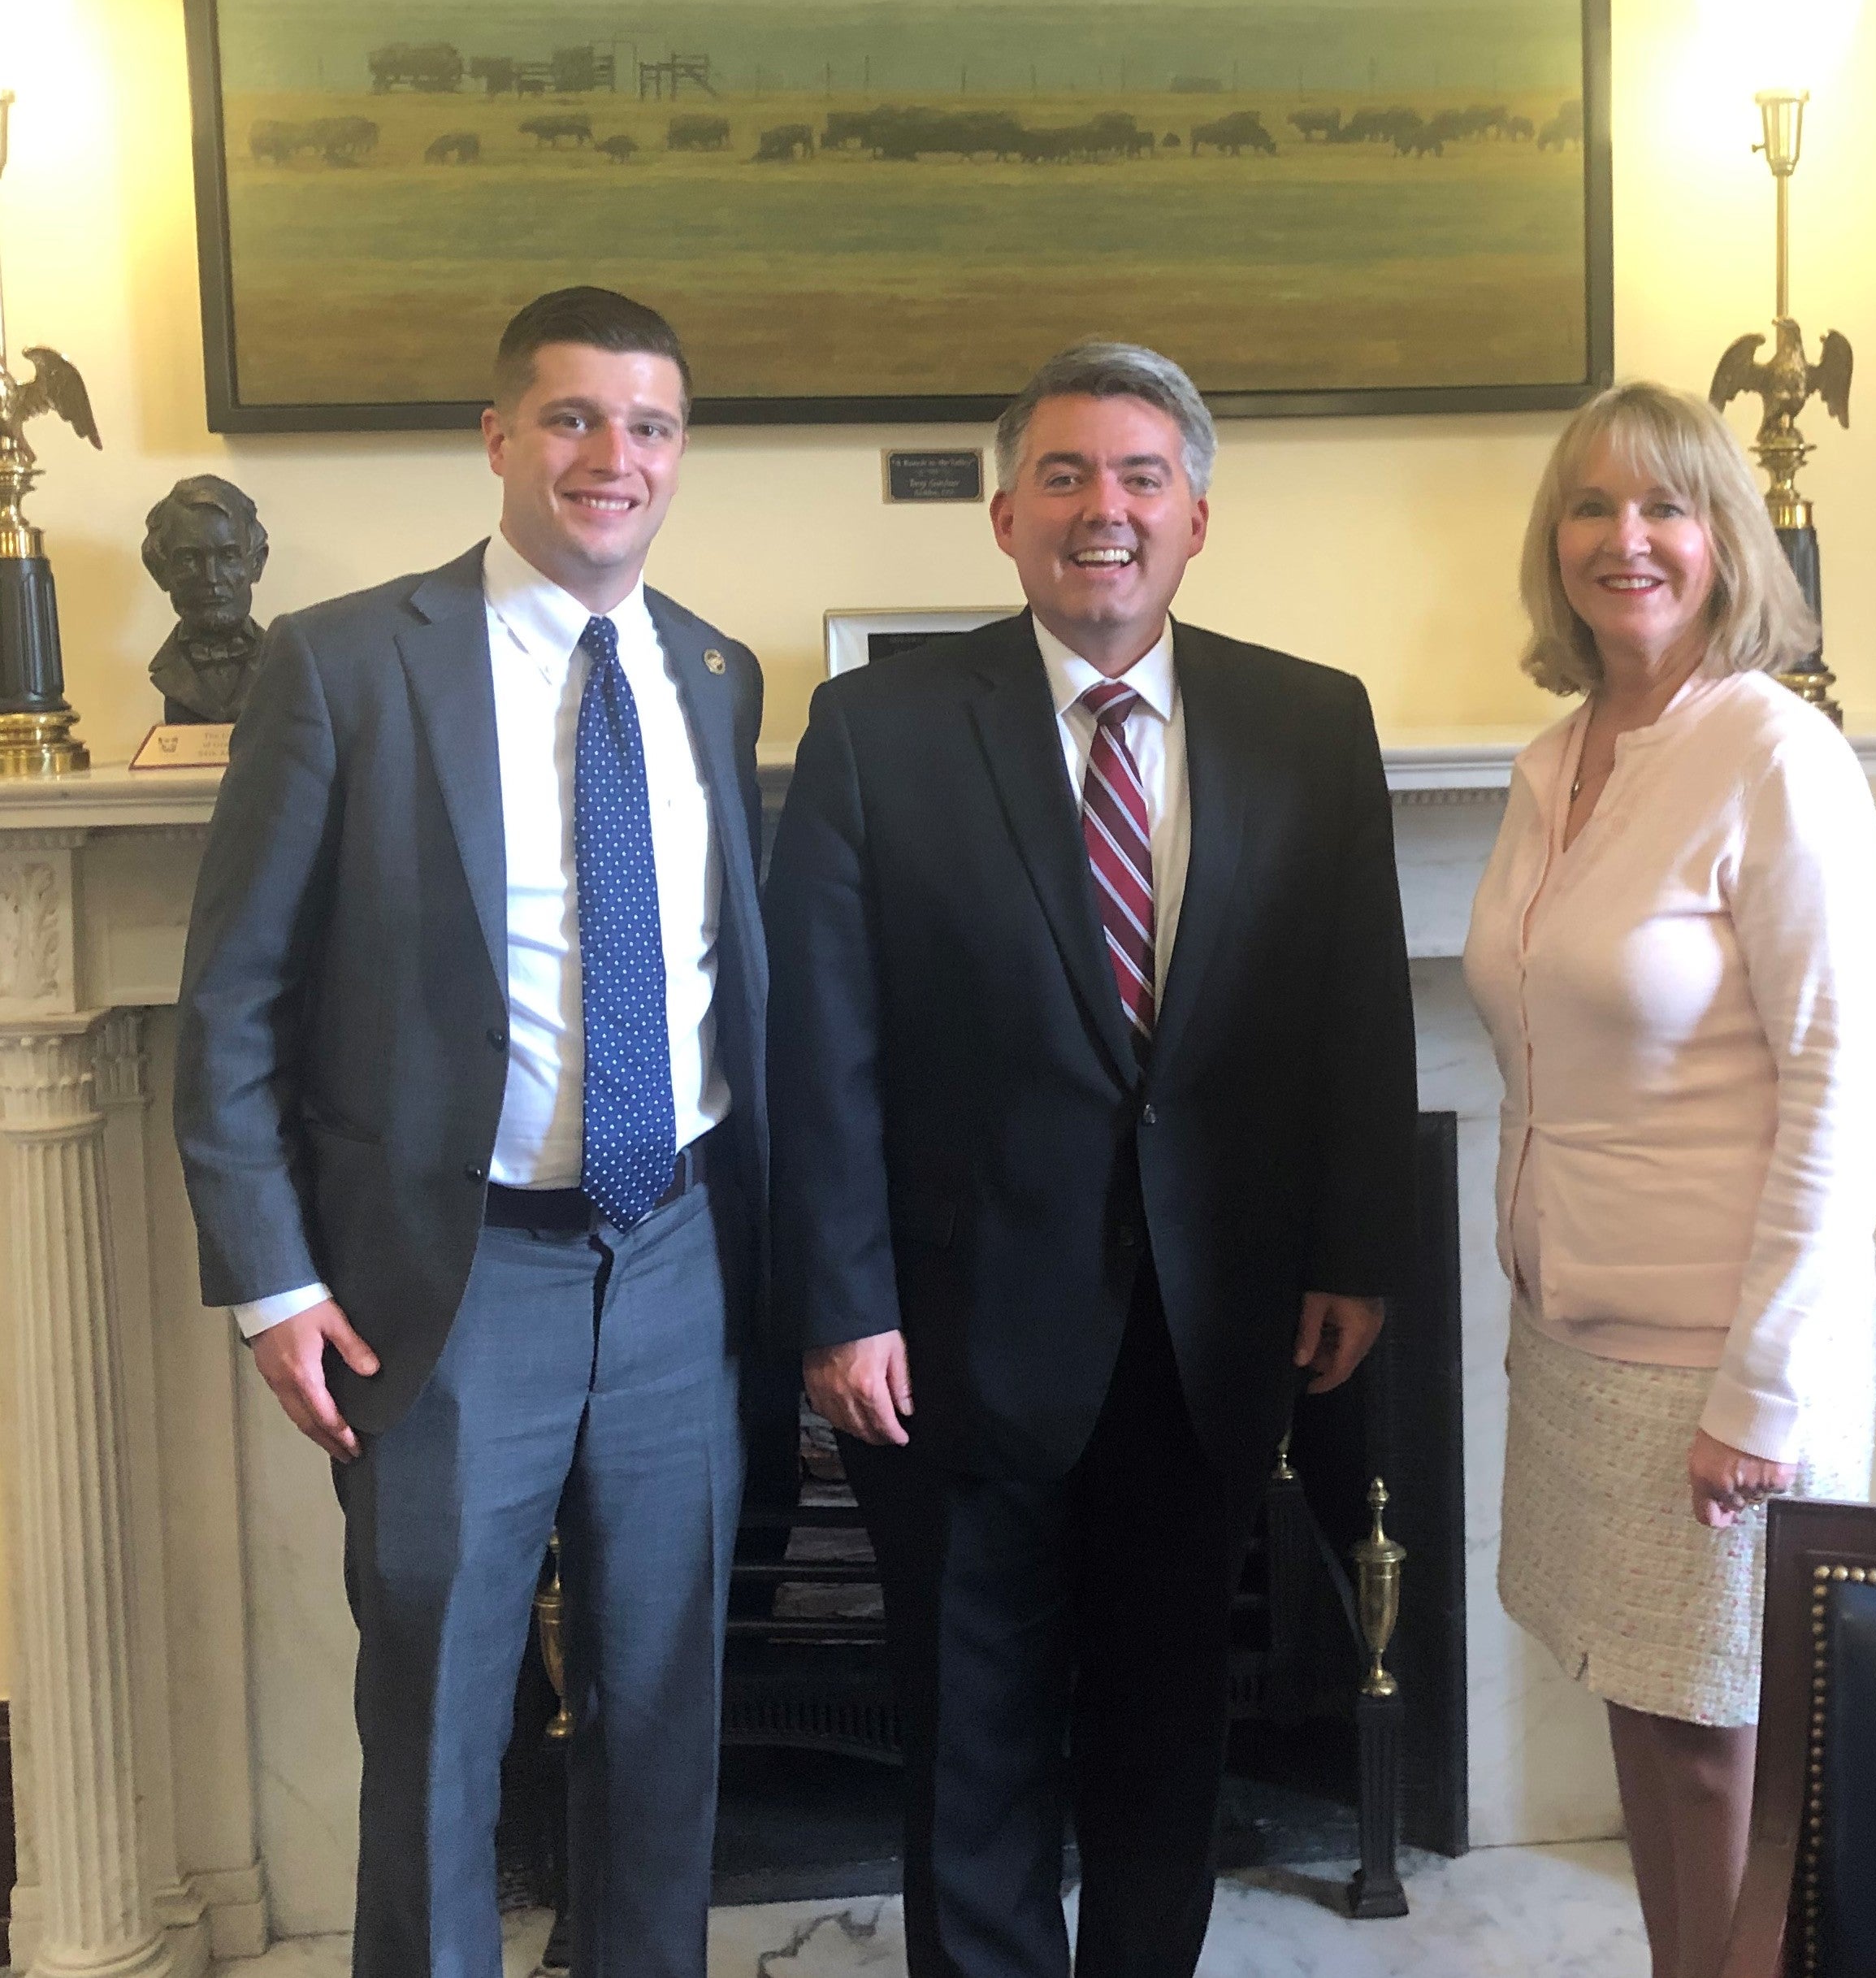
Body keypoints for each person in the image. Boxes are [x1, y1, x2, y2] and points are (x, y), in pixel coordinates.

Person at [765, 341, 1418, 1978]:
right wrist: (841, 1307)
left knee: (1163, 1740)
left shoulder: (1309, 720)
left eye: (1139, 478)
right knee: (971, 1750)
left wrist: (1353, 1250)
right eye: (1063, 475)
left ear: (1197, 515)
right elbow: (821, 1044)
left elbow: (1354, 1006)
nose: (1102, 510)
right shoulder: (876, 730)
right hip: (955, 1338)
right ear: (1001, 517)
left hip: (1212, 1331)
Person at [173, 286, 767, 1978]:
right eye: (573, 418)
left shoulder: (712, 671)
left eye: (647, 426)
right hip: (449, 1281)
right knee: (437, 1715)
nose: (613, 457)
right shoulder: (347, 662)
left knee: (665, 1708)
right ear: (498, 436)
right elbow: (232, 1002)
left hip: (673, 1259)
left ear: (678, 455)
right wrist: (275, 1285)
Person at [1462, 380, 1876, 1978]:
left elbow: (1843, 1090)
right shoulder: (1555, 758)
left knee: (1725, 1753)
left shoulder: (1775, 753)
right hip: (1580, 1345)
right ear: (1552, 543)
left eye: (1665, 506)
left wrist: (1762, 1390)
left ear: (1723, 542)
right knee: (1647, 1724)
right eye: (1590, 506)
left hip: (1719, 1364)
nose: (1623, 539)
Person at [141, 472, 271, 722]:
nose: (211, 577)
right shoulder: (168, 669)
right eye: (189, 559)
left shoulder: (282, 664)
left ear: (256, 562)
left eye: (229, 556)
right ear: (160, 571)